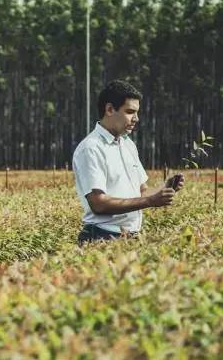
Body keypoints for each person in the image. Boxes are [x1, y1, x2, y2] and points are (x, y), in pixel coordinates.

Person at [72, 79, 185, 245]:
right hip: (101, 238)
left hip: (130, 237)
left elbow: (142, 192)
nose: (136, 119)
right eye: (130, 112)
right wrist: (150, 202)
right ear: (109, 109)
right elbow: (98, 203)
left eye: (137, 112)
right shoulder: (91, 148)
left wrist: (165, 187)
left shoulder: (128, 145)